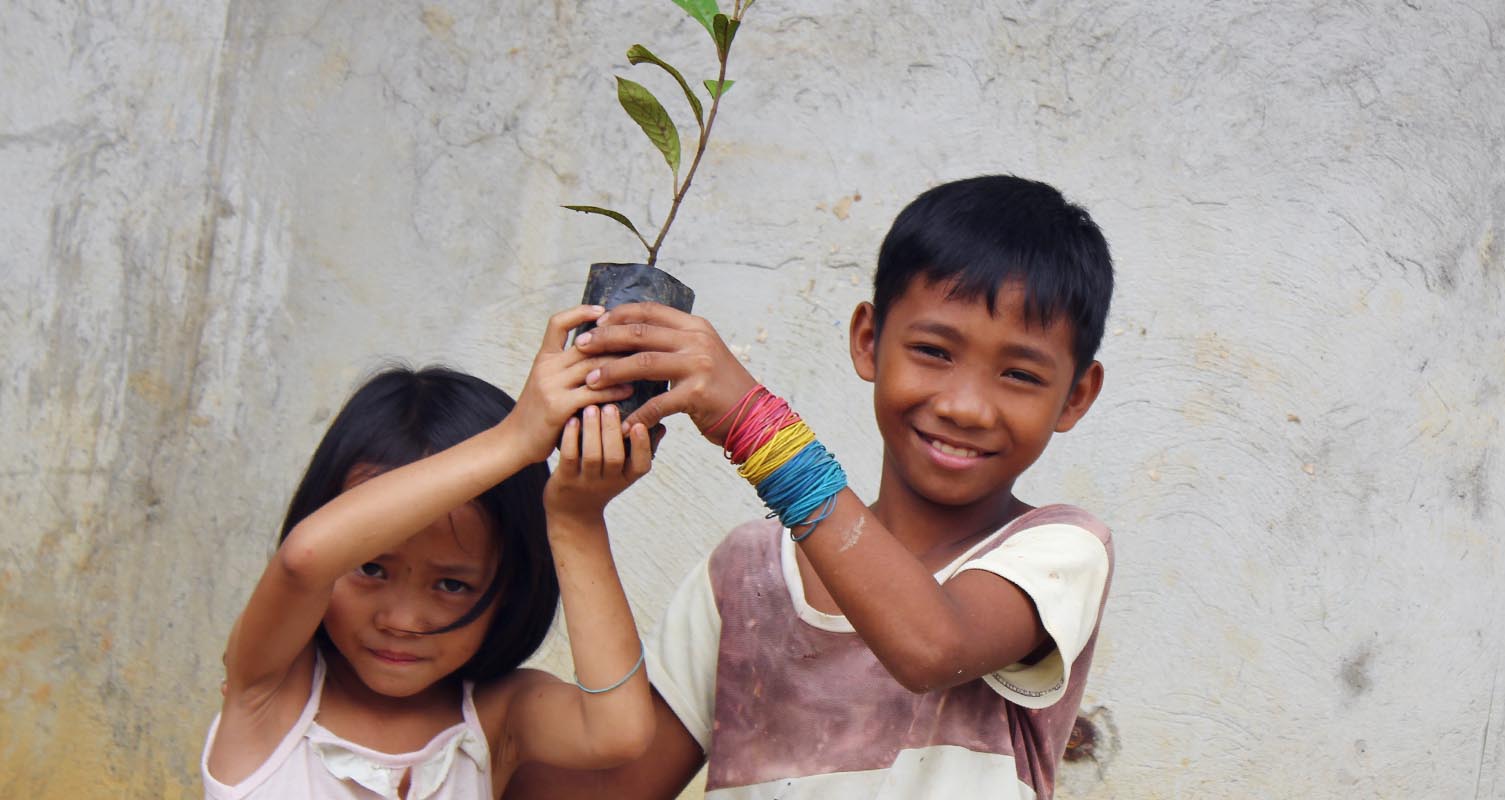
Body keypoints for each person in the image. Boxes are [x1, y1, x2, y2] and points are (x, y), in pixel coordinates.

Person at [512, 175, 1115, 799]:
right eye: (934, 351)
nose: (966, 406)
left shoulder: (1058, 551)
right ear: (868, 341)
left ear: (1076, 396)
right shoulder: (746, 574)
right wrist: (574, 520)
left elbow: (933, 646)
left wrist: (752, 421)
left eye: (1018, 373)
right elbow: (613, 790)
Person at [203, 306, 665, 798]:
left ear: (509, 589)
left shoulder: (495, 720)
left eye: (451, 585)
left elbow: (621, 731)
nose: (402, 619)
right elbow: (305, 559)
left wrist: (577, 521)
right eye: (371, 567)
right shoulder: (270, 689)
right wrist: (516, 439)